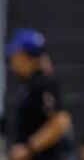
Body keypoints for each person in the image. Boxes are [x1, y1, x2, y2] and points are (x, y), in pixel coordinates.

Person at [4, 28, 72, 160]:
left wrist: (29, 148)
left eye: (15, 55)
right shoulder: (27, 84)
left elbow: (60, 121)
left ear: (25, 55)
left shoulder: (43, 82)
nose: (11, 60)